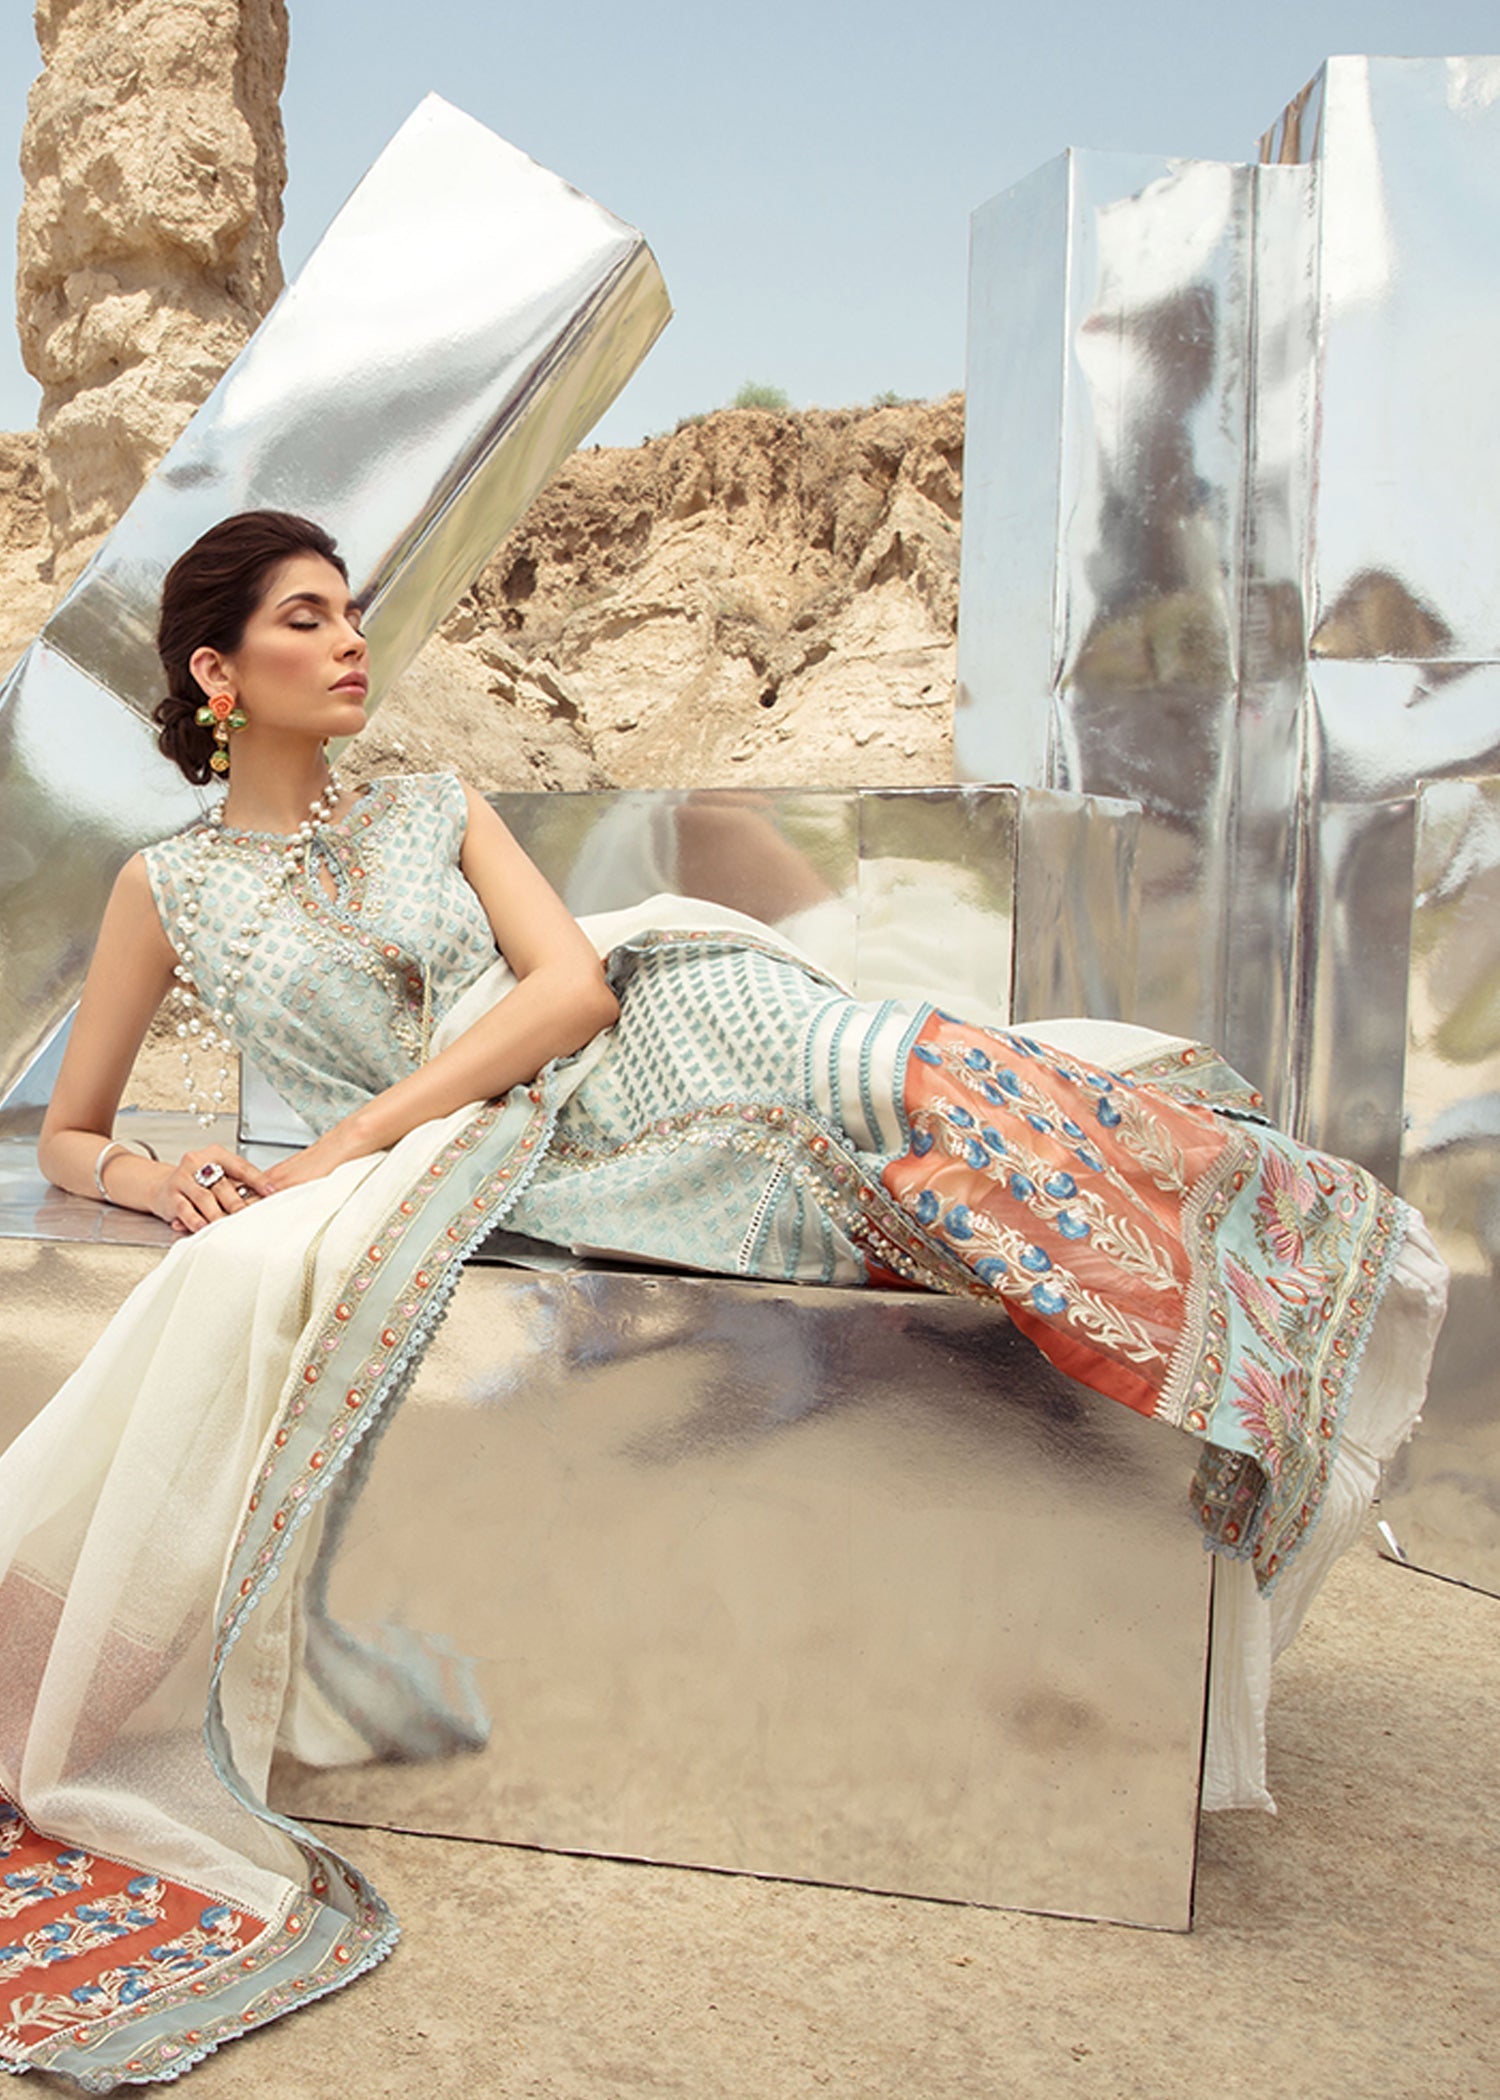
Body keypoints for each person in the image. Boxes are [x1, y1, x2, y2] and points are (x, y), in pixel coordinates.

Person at [1, 512, 1446, 2090]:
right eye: (305, 618)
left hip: (669, 1026)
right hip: (524, 1149)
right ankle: (1229, 1334)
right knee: (897, 1187)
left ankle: (1286, 1276)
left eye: (351, 611)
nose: (350, 640)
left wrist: (346, 1143)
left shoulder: (434, 802)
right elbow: (72, 1131)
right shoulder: (169, 888)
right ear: (218, 673)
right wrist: (161, 1177)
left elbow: (572, 987)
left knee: (919, 1074)